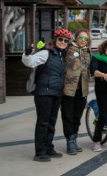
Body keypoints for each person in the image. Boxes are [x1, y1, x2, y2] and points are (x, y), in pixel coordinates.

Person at [22, 29, 73, 162]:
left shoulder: (63, 55)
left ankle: (49, 148)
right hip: (44, 92)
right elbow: (30, 62)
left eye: (65, 40)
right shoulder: (46, 53)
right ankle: (39, 152)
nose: (63, 42)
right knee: (43, 123)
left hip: (57, 93)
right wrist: (27, 54)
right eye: (60, 39)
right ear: (55, 40)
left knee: (51, 122)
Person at [61, 28, 92, 155]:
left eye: (86, 39)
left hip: (82, 90)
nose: (83, 41)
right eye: (81, 38)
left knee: (77, 117)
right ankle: (69, 142)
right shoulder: (67, 49)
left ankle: (74, 139)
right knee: (67, 116)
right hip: (69, 89)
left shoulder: (88, 51)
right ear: (75, 38)